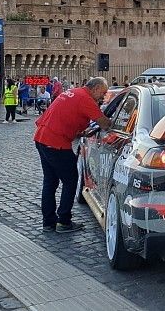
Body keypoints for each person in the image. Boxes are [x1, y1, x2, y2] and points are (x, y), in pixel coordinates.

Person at [33, 77, 111, 232]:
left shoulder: (73, 92)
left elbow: (68, 117)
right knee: (71, 180)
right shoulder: (86, 99)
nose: (103, 97)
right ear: (94, 88)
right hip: (56, 143)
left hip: (41, 138)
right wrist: (113, 122)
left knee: (50, 182)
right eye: (102, 93)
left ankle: (48, 222)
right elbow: (104, 123)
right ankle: (64, 221)